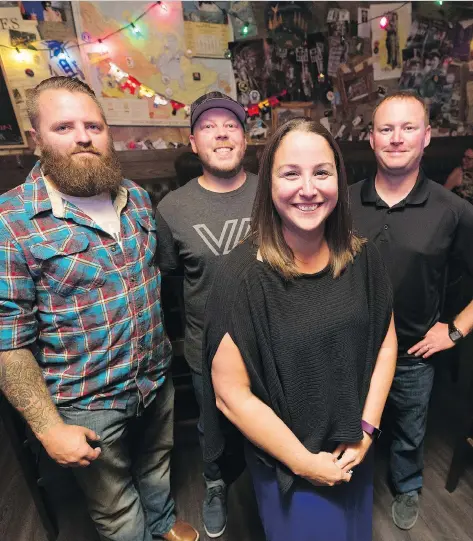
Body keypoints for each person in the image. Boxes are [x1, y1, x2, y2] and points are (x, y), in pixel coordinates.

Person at [0, 77, 198, 541]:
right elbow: (7, 340)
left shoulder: (136, 200)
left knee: (155, 466)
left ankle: (165, 526)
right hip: (85, 402)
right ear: (36, 141)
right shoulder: (11, 220)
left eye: (94, 125)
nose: (83, 136)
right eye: (64, 126)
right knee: (115, 506)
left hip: (153, 378)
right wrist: (49, 428)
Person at [202, 118, 397, 541]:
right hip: (288, 466)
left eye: (321, 172)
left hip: (355, 449)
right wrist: (304, 463)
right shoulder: (240, 278)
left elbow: (385, 341)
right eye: (291, 173)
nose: (308, 188)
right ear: (268, 184)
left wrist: (366, 430)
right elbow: (231, 397)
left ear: (338, 180)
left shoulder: (363, 258)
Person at [349, 91, 473, 531]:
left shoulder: (453, 210)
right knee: (349, 426)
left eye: (408, 128)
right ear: (371, 139)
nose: (396, 138)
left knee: (407, 432)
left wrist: (455, 331)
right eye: (386, 129)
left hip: (413, 354)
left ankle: (406, 486)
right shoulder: (341, 202)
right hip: (350, 348)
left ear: (426, 137)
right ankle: (347, 490)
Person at [155, 91, 257, 538]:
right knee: (212, 430)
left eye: (231, 125)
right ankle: (215, 485)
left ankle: (270, 490)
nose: (221, 133)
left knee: (274, 423)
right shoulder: (172, 209)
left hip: (268, 341)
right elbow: (173, 282)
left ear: (245, 138)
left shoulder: (272, 190)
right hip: (207, 346)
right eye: (208, 126)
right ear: (193, 142)